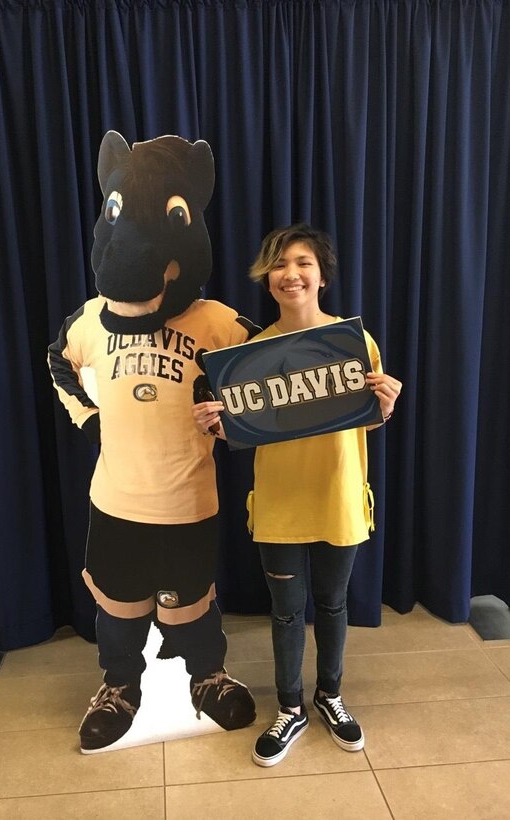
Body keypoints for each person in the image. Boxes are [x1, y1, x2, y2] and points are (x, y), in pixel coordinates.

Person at [48, 131, 258, 753]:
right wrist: (88, 419)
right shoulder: (89, 317)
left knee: (192, 603)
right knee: (117, 609)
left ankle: (206, 677)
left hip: (189, 501)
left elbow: (269, 378)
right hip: (115, 502)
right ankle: (120, 686)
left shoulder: (217, 321)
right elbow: (59, 361)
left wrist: (235, 421)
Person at [193, 223, 402, 767]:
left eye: (303, 262)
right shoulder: (249, 356)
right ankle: (290, 706)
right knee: (287, 612)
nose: (291, 274)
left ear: (322, 275)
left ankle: (330, 695)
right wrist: (216, 425)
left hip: (338, 497)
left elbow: (361, 421)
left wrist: (384, 406)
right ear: (268, 280)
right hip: (280, 503)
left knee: (333, 604)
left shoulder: (354, 343)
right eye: (280, 265)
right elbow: (241, 428)